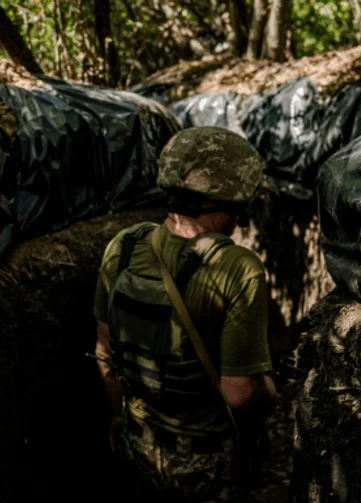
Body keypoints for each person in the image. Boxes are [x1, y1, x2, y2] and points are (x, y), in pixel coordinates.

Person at [92, 126, 277, 502]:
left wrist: (117, 415)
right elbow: (239, 394)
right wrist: (271, 394)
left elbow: (104, 352)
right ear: (235, 198)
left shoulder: (124, 246)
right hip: (204, 461)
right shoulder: (239, 268)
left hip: (137, 443)